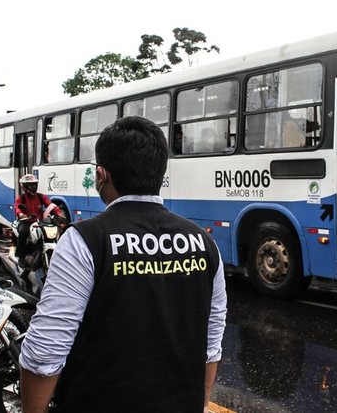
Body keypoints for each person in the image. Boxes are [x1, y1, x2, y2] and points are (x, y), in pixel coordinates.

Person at [20, 116, 228, 412]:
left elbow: (44, 352)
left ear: (101, 175)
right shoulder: (205, 243)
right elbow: (211, 344)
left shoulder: (84, 239)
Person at [14, 173, 64, 263]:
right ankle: (20, 256)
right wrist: (21, 214)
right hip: (26, 222)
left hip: (40, 222)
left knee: (55, 232)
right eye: (30, 185)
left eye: (34, 184)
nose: (33, 186)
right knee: (23, 232)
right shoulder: (21, 198)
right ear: (24, 186)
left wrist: (59, 213)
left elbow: (50, 205)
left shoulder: (41, 196)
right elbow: (17, 208)